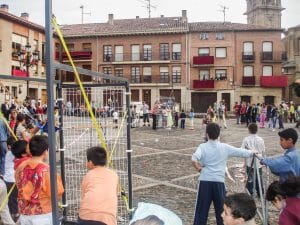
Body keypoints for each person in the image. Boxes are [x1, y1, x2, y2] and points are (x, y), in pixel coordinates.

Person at [192, 123, 254, 225]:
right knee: (221, 211)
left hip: (205, 182)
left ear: (207, 134)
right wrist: (253, 152)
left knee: (201, 210)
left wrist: (199, 169)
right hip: (219, 182)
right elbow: (241, 152)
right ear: (219, 135)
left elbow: (194, 159)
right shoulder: (224, 147)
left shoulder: (202, 147)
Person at [14, 135, 64, 225]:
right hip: (42, 215)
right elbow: (56, 194)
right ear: (46, 151)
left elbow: (18, 184)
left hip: (24, 213)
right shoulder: (47, 170)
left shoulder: (21, 167)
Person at [78, 146, 119, 225]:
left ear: (90, 163)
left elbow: (83, 197)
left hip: (86, 217)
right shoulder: (114, 175)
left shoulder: (88, 175)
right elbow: (116, 194)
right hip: (107, 219)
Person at [241, 123, 265, 196]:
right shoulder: (261, 139)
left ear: (249, 130)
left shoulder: (246, 139)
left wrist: (244, 161)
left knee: (250, 178)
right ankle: (260, 192)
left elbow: (242, 150)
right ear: (257, 130)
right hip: (258, 162)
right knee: (259, 177)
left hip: (249, 162)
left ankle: (250, 192)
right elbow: (263, 151)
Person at [3, 137, 21, 222]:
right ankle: (15, 214)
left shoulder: (9, 153)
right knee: (13, 198)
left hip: (8, 179)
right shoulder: (12, 154)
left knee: (11, 198)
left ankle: (13, 213)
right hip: (11, 179)